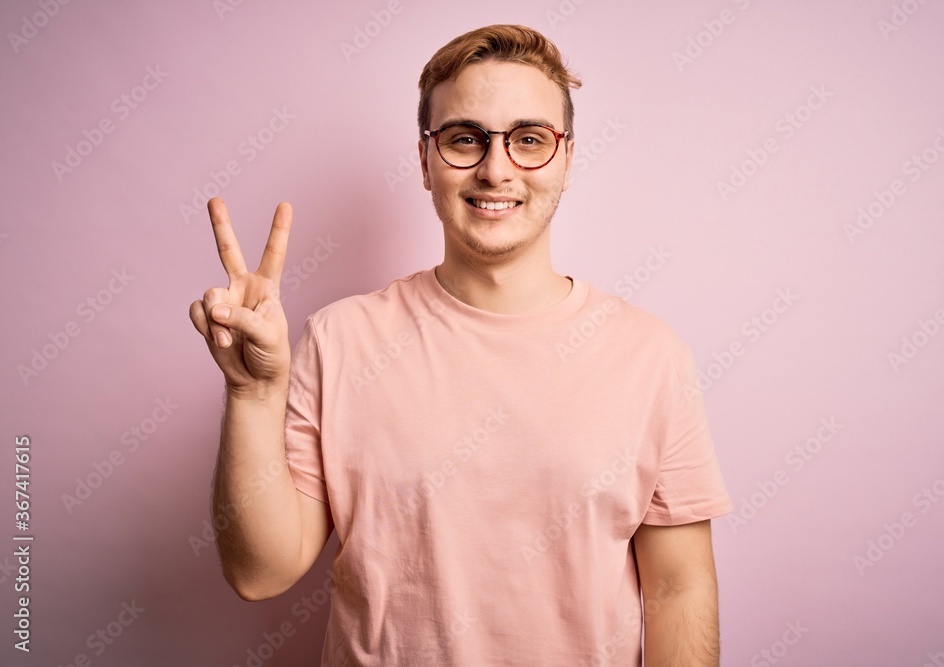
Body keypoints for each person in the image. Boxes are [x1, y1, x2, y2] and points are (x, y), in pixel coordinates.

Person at [189, 24, 733, 666]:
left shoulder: (651, 356)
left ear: (566, 158)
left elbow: (679, 587)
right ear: (425, 160)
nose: (496, 169)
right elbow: (261, 573)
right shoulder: (339, 341)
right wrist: (252, 394)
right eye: (465, 139)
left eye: (529, 139)